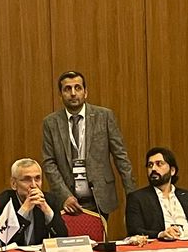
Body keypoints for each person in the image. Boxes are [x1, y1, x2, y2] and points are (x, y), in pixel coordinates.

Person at [41, 71, 133, 222]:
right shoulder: (51, 123)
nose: (73, 93)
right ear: (60, 95)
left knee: (99, 236)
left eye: (77, 88)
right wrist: (65, 196)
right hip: (68, 198)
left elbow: (121, 156)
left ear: (85, 92)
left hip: (100, 196)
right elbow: (48, 162)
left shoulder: (104, 116)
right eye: (67, 89)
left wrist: (132, 196)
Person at [126, 147, 188, 241]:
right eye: (150, 165)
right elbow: (134, 230)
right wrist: (160, 234)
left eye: (159, 164)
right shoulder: (137, 198)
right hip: (162, 246)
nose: (153, 168)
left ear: (172, 171)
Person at [0, 158, 70, 247]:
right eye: (27, 179)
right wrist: (23, 211)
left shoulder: (50, 200)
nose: (34, 185)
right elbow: (4, 242)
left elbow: (63, 238)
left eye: (37, 178)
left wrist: (47, 211)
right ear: (14, 184)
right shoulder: (1, 203)